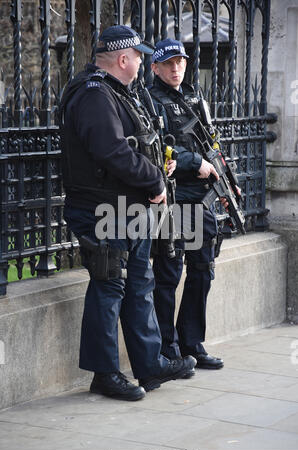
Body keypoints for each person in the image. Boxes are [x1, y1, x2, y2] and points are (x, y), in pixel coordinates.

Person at [59, 26, 196, 401]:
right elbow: (111, 152)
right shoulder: (94, 95)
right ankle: (104, 374)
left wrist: (158, 167)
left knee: (139, 284)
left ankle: (150, 364)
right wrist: (154, 181)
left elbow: (133, 144)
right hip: (102, 209)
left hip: (125, 208)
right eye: (138, 56)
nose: (141, 61)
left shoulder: (116, 92)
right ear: (123, 59)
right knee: (109, 286)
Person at [150, 38, 225, 372]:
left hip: (200, 200)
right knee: (168, 274)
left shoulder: (195, 96)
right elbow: (157, 151)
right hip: (173, 198)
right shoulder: (151, 100)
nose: (175, 68)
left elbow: (211, 137)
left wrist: (220, 169)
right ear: (155, 67)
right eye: (168, 64)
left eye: (180, 62)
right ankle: (168, 349)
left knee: (202, 270)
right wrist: (195, 162)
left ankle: (192, 342)